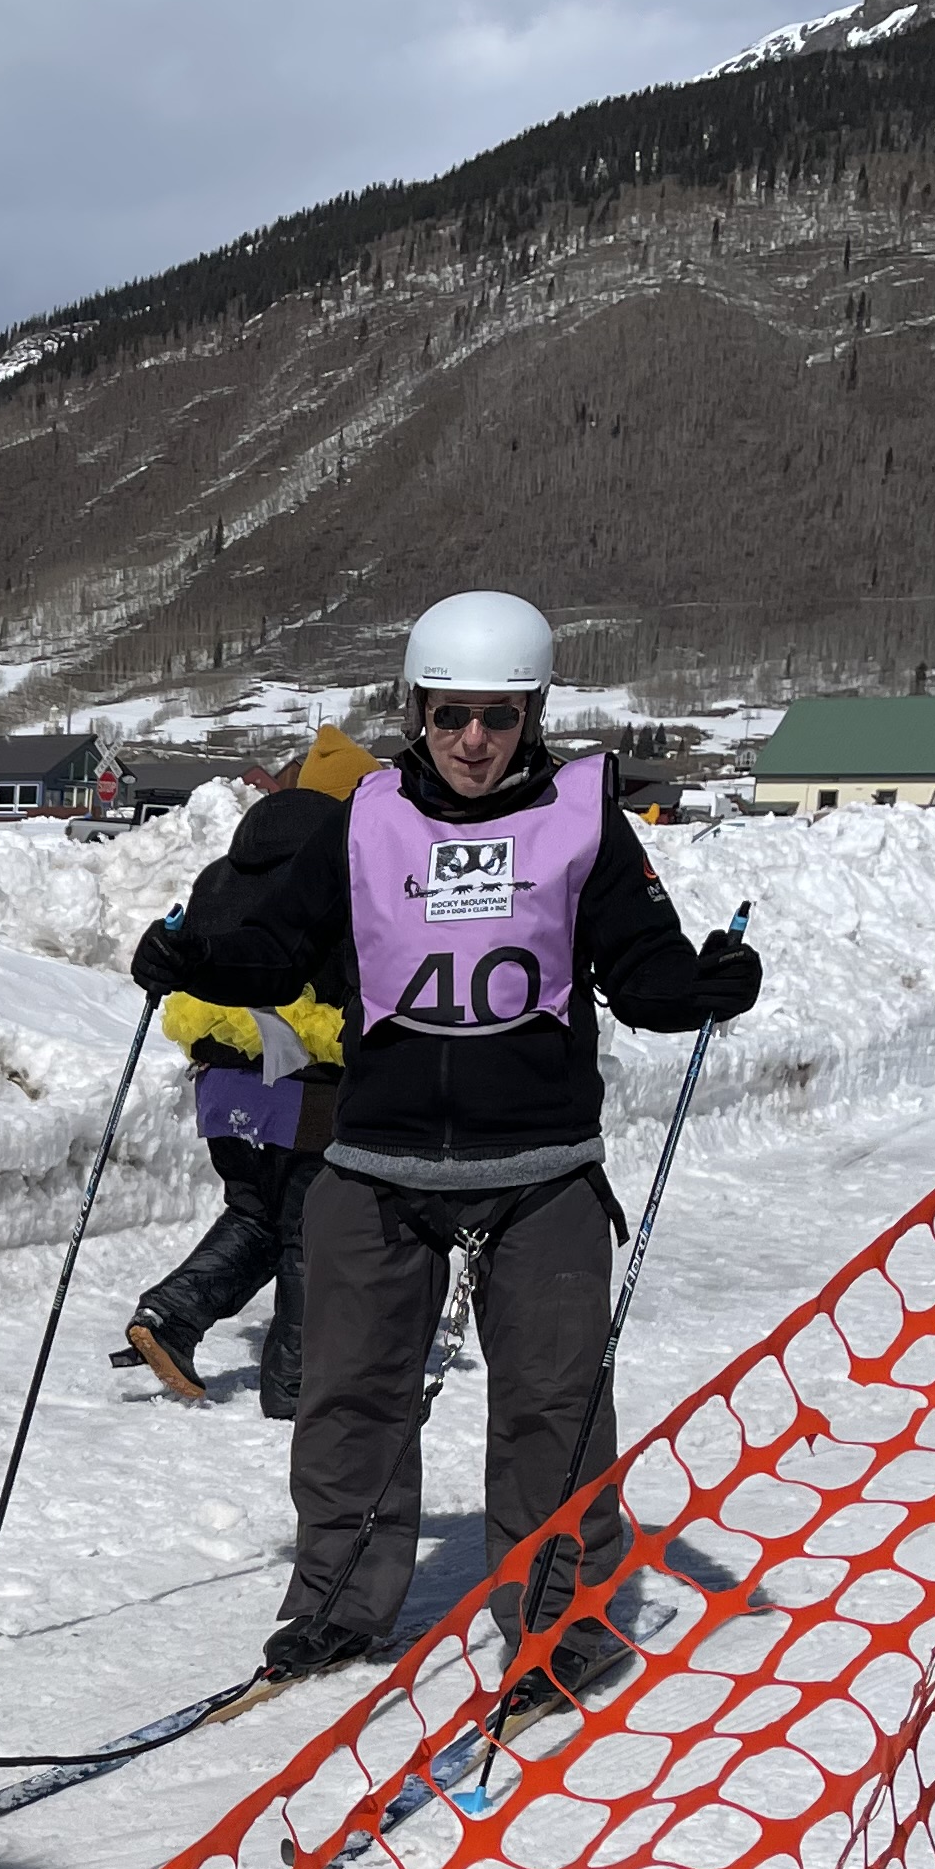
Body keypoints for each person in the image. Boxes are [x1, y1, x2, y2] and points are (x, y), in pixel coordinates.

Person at [129, 592, 757, 1695]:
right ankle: (334, 1604)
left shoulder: (580, 820)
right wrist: (191, 958)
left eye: (500, 717)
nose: (474, 740)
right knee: (347, 1399)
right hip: (377, 1165)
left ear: (534, 715)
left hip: (542, 1169)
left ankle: (560, 1624)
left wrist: (710, 983)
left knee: (552, 1411)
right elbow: (276, 953)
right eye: (452, 714)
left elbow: (646, 978)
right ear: (417, 708)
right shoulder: (361, 820)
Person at [111, 725, 364, 1414]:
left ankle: (171, 1318)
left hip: (222, 1073)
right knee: (312, 1230)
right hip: (312, 1078)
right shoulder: (341, 870)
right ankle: (295, 1384)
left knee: (256, 1208)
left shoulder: (224, 869)